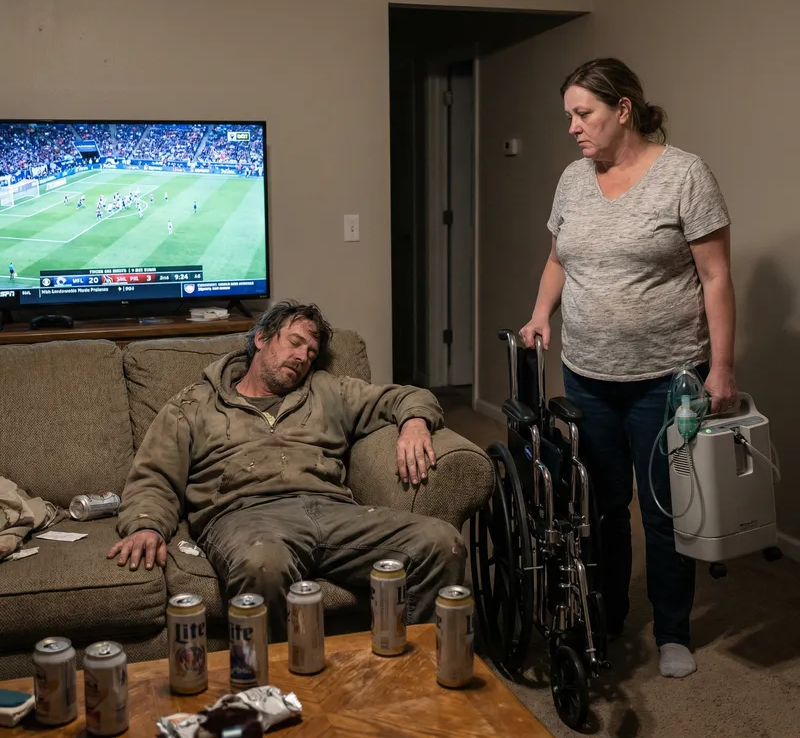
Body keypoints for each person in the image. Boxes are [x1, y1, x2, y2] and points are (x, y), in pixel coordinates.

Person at [520, 58, 736, 679]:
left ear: (623, 111)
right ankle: (608, 616)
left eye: (582, 113)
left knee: (664, 509)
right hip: (586, 372)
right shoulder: (572, 179)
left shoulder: (684, 176)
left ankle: (672, 631)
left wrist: (721, 367)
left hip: (666, 379)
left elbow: (716, 277)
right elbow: (559, 258)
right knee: (601, 505)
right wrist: (540, 315)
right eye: (568, 115)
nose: (572, 127)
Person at [108, 300, 465, 638]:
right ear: (261, 338)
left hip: (332, 511)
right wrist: (146, 525)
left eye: (310, 353)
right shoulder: (195, 403)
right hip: (244, 516)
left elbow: (403, 395)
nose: (302, 358)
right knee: (263, 563)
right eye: (294, 343)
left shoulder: (327, 390)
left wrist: (415, 422)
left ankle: (418, 676)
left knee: (440, 542)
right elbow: (154, 476)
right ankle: (276, 693)